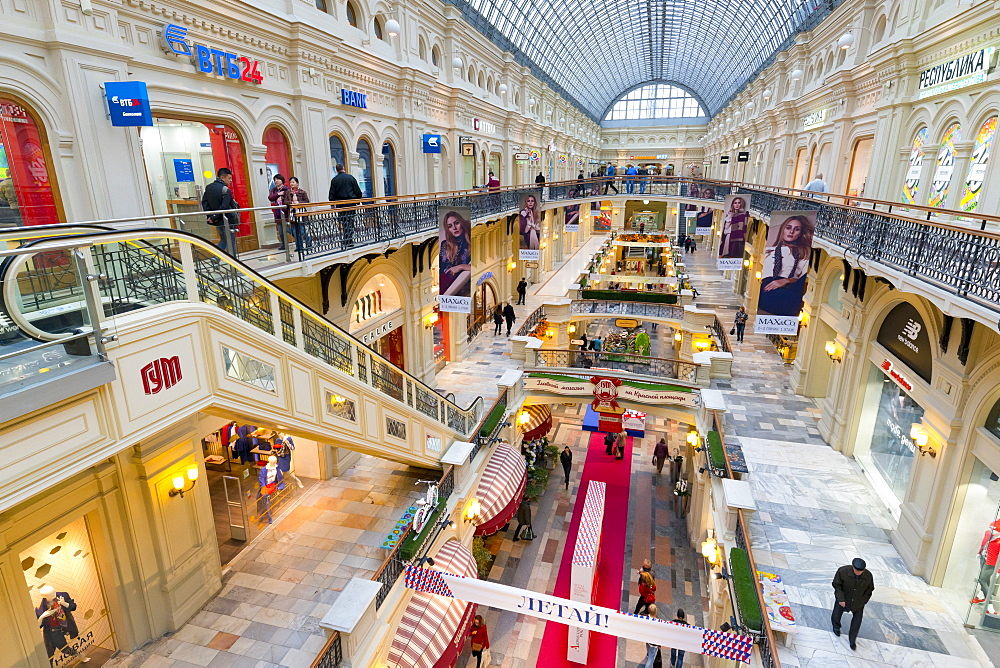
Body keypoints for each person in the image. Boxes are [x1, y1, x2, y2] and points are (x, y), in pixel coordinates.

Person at [758, 215, 813, 316]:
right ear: (783, 229)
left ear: (800, 234)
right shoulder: (770, 250)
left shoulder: (804, 252)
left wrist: (786, 280)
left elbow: (802, 278)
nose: (791, 232)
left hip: (788, 290)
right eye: (788, 228)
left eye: (797, 229)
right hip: (765, 291)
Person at [832, 558, 874, 650]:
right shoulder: (842, 571)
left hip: (858, 602)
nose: (859, 573)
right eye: (857, 571)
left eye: (861, 571)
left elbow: (870, 589)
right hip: (844, 599)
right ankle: (836, 627)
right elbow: (837, 585)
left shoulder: (868, 576)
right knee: (836, 614)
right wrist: (841, 599)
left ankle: (852, 640)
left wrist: (863, 601)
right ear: (852, 567)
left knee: (857, 622)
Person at [202, 167, 240, 255]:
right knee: (231, 242)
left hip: (217, 221)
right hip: (228, 220)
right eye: (229, 178)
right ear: (222, 178)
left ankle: (216, 257)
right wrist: (215, 216)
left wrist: (211, 216)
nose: (230, 181)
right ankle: (234, 263)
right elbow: (225, 206)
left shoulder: (208, 188)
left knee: (224, 239)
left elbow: (205, 202)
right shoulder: (225, 189)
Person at [328, 163, 363, 248]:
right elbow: (357, 190)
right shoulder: (350, 178)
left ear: (336, 170)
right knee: (350, 221)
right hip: (351, 203)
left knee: (344, 222)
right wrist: (358, 199)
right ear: (343, 168)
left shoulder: (334, 180)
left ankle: (346, 239)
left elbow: (331, 193)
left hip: (340, 204)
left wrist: (332, 203)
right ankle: (349, 240)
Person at [439, 211, 472, 297]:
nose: (454, 228)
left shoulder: (471, 243)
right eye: (450, 226)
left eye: (456, 223)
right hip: (448, 288)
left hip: (464, 288)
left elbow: (479, 267)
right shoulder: (445, 244)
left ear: (462, 223)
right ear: (448, 229)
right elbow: (442, 269)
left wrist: (461, 266)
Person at [283, 177, 311, 251]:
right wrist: (291, 203)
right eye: (290, 182)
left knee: (302, 231)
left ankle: (309, 243)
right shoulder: (288, 192)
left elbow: (307, 201)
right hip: (292, 214)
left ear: (297, 183)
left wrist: (299, 203)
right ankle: (299, 247)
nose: (291, 184)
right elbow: (285, 202)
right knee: (294, 231)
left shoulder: (302, 192)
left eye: (293, 182)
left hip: (301, 213)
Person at [267, 174, 293, 250]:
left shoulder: (286, 189)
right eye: (275, 180)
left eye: (278, 179)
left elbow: (288, 197)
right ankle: (284, 245)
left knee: (289, 229)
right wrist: (278, 194)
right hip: (278, 213)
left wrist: (282, 196)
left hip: (285, 213)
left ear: (282, 180)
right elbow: (270, 197)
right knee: (280, 231)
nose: (276, 181)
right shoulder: (274, 190)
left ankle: (302, 240)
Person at [643, 604, 660, 668]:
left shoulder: (646, 617)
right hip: (654, 642)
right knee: (651, 658)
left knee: (648, 648)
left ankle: (648, 654)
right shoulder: (658, 622)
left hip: (647, 638)